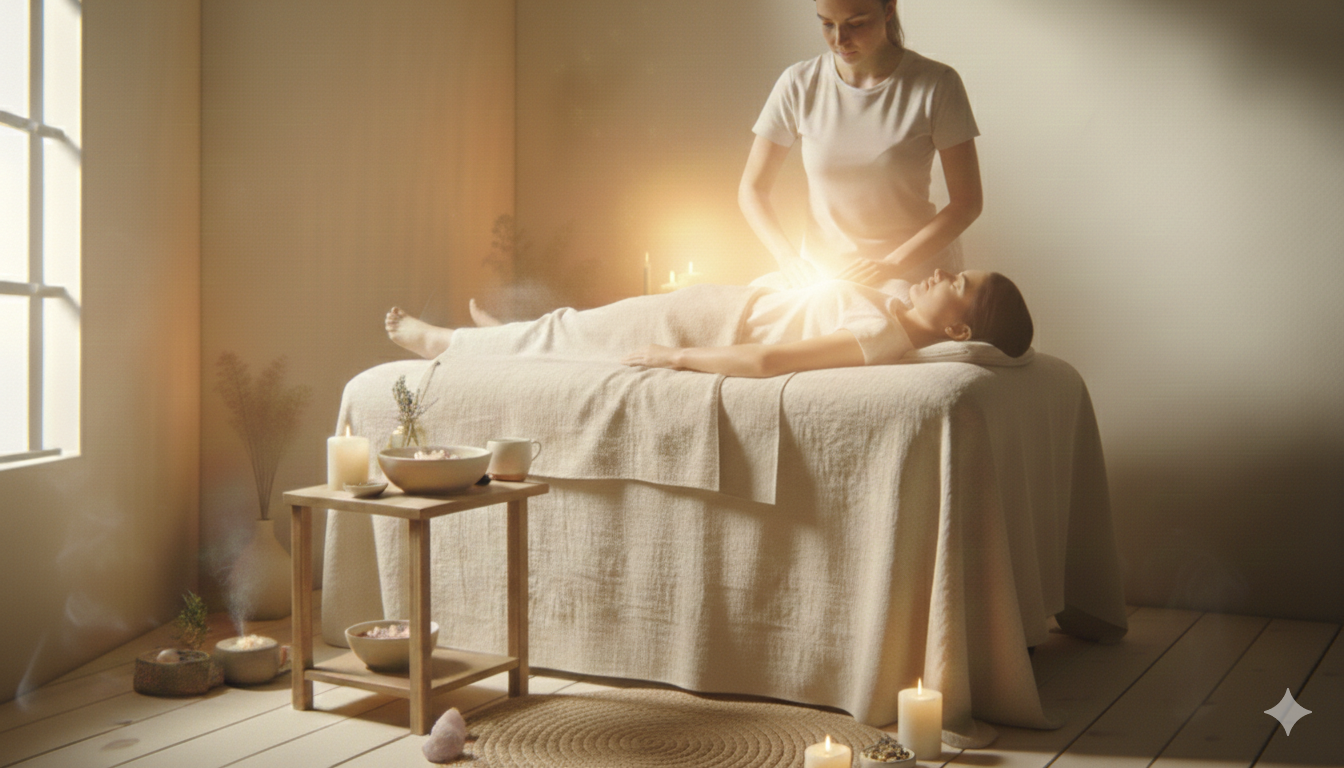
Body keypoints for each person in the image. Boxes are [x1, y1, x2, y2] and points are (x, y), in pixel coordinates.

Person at [384, 269, 1032, 379]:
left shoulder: (885, 337)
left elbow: (769, 363)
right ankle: (500, 337)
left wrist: (677, 359)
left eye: (958, 286)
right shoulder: (893, 305)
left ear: (958, 335)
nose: (944, 277)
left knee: (568, 332)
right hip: (720, 305)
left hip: (708, 327)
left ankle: (448, 345)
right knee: (569, 329)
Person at [740, 0, 983, 289]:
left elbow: (967, 203)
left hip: (915, 281)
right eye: (827, 24)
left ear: (889, 8)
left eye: (856, 24)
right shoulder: (799, 83)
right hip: (826, 281)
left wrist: (892, 265)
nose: (839, 40)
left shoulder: (937, 84)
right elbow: (752, 189)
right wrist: (788, 259)